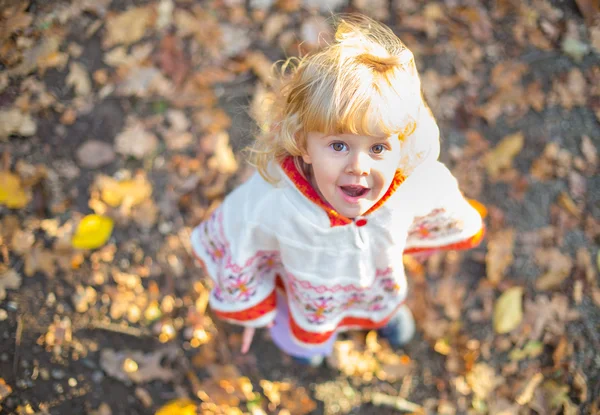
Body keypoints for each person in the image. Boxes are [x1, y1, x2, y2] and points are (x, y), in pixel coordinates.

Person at [190, 15, 485, 366]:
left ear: (400, 148)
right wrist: (249, 293)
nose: (359, 166)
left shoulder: (408, 186)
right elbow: (242, 227)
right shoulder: (277, 199)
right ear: (303, 144)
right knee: (307, 341)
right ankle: (308, 343)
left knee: (383, 301)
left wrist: (448, 223)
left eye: (377, 148)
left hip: (376, 278)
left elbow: (438, 197)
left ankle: (381, 316)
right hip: (308, 292)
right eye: (339, 146)